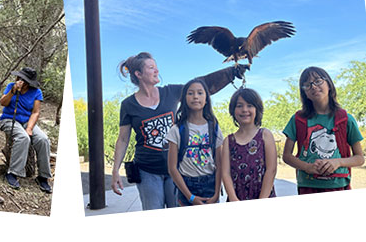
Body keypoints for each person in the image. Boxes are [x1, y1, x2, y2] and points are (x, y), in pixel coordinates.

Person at [110, 52, 241, 210]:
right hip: (147, 170)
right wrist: (115, 170)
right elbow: (123, 139)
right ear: (138, 74)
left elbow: (201, 86)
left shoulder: (170, 92)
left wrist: (230, 73)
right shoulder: (128, 104)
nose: (157, 71)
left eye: (156, 67)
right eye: (151, 67)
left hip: (177, 169)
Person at [282, 67, 364, 194]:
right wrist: (307, 167)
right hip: (307, 185)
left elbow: (359, 158)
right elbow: (287, 156)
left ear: (329, 85)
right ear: (305, 94)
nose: (313, 86)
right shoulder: (297, 119)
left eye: (318, 81)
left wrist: (338, 162)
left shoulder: (346, 119)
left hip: (338, 185)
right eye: (307, 85)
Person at [166, 78, 223, 207]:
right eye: (190, 93)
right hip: (186, 187)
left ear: (206, 98)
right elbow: (172, 168)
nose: (195, 97)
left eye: (200, 93)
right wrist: (190, 197)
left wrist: (216, 193)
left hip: (210, 186)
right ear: (184, 99)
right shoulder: (176, 130)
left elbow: (220, 165)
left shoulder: (214, 128)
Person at [0, 67, 52, 193]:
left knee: (43, 139)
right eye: (20, 78)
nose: (21, 81)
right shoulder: (11, 86)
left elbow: (35, 112)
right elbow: (3, 103)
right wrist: (13, 91)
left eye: (24, 80)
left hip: (27, 121)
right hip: (9, 119)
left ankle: (43, 176)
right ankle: (13, 173)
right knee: (23, 138)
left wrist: (29, 128)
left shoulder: (36, 92)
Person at [221, 88, 276, 201]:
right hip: (236, 198)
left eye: (250, 105)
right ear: (233, 110)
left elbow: (271, 170)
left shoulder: (265, 135)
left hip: (264, 196)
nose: (244, 110)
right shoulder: (228, 141)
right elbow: (225, 173)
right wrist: (232, 198)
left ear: (257, 109)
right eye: (239, 106)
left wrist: (262, 199)